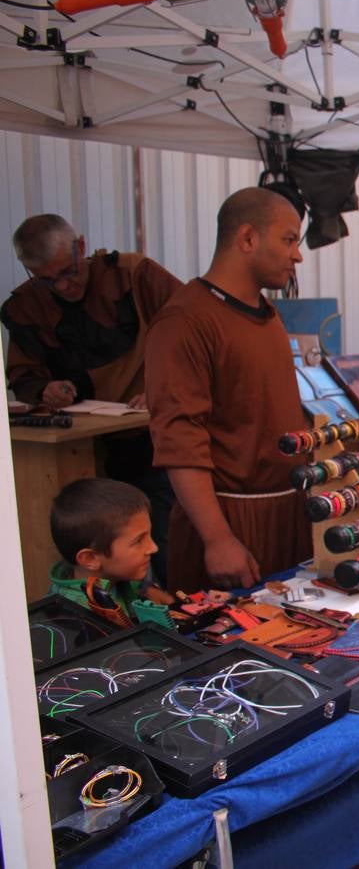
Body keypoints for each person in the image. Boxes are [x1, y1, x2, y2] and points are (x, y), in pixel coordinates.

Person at [145, 188, 312, 593]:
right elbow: (180, 441)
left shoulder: (267, 315)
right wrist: (217, 539)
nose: (298, 255)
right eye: (289, 240)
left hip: (288, 514)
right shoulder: (186, 321)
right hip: (233, 526)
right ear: (248, 238)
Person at [5, 214, 182, 583]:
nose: (63, 286)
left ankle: (169, 617)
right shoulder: (29, 304)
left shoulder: (132, 274)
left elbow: (192, 330)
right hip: (82, 452)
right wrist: (44, 390)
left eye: (69, 271)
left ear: (81, 247)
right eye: (48, 280)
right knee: (99, 551)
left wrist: (162, 385)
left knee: (158, 541)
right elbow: (23, 374)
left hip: (152, 439)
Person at [48, 478, 174, 628]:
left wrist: (145, 591)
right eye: (139, 541)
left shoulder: (116, 576)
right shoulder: (80, 621)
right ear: (91, 558)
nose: (153, 548)